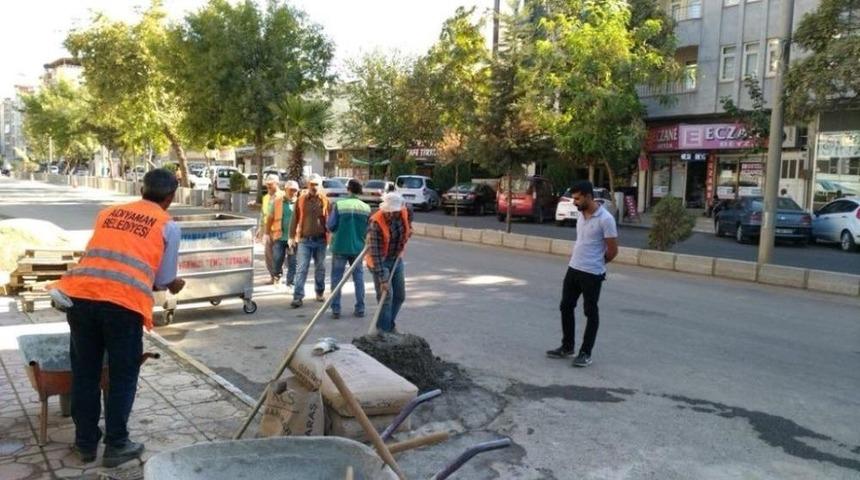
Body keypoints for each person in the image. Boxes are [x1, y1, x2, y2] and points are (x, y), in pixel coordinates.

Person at [51, 169, 185, 467]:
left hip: (81, 297)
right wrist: (172, 284)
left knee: (85, 374)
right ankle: (117, 445)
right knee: (122, 377)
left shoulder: (108, 213)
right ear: (171, 197)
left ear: (141, 189)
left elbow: (102, 254)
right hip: (122, 306)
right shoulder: (167, 225)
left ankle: (85, 444)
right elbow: (164, 278)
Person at [547, 180, 618, 367]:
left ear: (588, 196)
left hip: (592, 273)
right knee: (566, 306)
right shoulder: (581, 215)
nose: (574, 202)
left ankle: (585, 353)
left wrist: (597, 263)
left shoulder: (606, 219)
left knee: (590, 312)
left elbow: (612, 251)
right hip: (574, 268)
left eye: (577, 198)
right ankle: (567, 346)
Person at [366, 192, 411, 333]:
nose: (391, 214)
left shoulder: (403, 212)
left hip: (396, 258)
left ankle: (387, 325)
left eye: (395, 211)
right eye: (389, 212)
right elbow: (376, 254)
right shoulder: (376, 223)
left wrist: (409, 230)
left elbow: (409, 221)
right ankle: (384, 332)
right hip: (380, 262)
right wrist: (383, 278)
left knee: (400, 295)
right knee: (386, 297)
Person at [327, 179, 371, 319]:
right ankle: (360, 308)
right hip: (358, 248)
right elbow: (368, 229)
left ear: (348, 189)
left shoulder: (339, 205)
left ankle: (336, 309)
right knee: (358, 278)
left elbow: (331, 225)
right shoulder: (366, 208)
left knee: (336, 278)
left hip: (340, 246)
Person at [289, 173, 330, 308]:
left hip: (321, 241)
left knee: (320, 268)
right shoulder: (301, 200)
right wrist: (291, 237)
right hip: (305, 240)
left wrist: (331, 237)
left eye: (316, 184)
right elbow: (294, 218)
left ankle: (319, 292)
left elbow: (329, 221)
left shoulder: (325, 200)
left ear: (320, 186)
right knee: (301, 268)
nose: (314, 187)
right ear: (308, 185)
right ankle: (298, 297)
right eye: (311, 184)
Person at [269, 180, 300, 288]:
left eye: (296, 191)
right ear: (286, 190)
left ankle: (291, 282)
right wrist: (266, 233)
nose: (294, 193)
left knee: (293, 261)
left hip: (294, 238)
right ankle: (277, 275)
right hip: (280, 236)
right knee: (278, 258)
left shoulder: (300, 202)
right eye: (291, 190)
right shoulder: (277, 201)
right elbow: (270, 217)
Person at [258, 174, 283, 284]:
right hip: (268, 231)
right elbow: (263, 214)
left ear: (276, 184)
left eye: (270, 185)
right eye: (267, 185)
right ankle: (273, 276)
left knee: (278, 255)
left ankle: (278, 276)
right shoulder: (266, 198)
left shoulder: (282, 196)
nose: (268, 187)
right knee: (268, 254)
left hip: (279, 230)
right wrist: (260, 229)